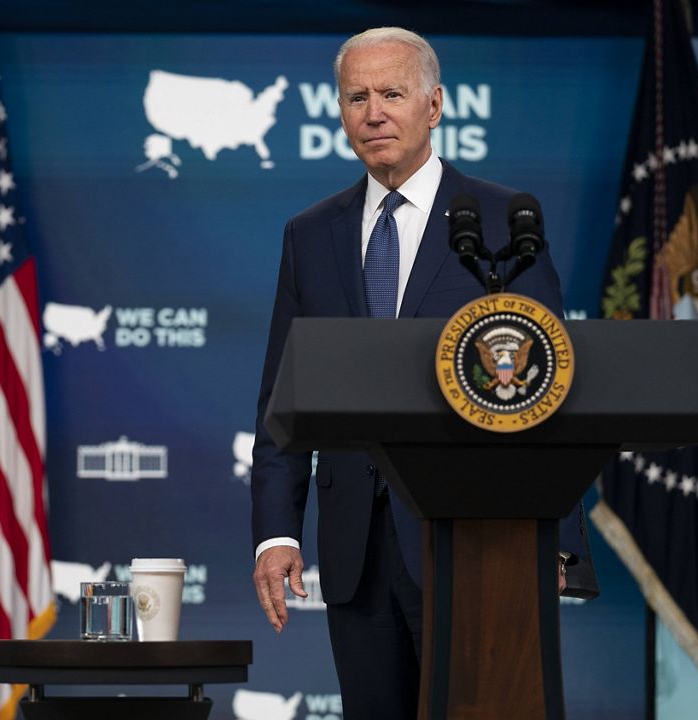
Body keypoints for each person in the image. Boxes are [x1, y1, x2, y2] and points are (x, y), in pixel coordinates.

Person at [249, 27, 596, 718]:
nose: (373, 112)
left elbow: (549, 385)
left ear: (433, 107)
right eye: (356, 97)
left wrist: (556, 543)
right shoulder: (310, 235)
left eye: (392, 94)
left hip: (476, 543)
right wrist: (276, 533)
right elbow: (283, 398)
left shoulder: (501, 220)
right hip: (357, 554)